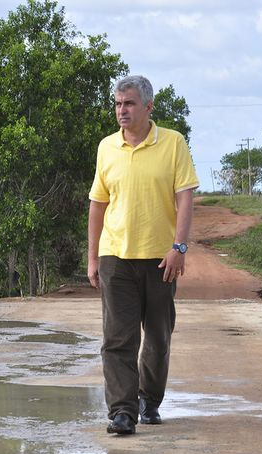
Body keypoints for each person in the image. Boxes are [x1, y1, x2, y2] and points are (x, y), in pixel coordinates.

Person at [87, 75, 199, 435]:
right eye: (118, 103)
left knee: (158, 336)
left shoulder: (172, 143)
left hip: (161, 259)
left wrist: (180, 247)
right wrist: (92, 258)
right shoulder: (107, 147)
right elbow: (97, 204)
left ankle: (149, 399)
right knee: (117, 339)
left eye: (130, 103)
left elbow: (184, 197)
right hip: (115, 257)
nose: (122, 110)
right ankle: (122, 410)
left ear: (148, 107)